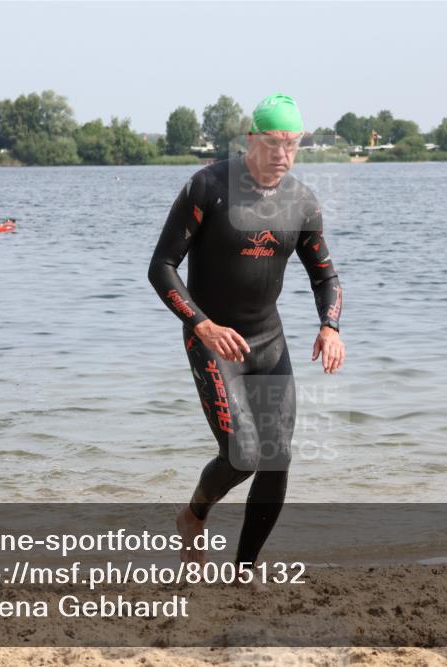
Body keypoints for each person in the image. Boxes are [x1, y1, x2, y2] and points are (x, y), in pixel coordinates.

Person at [148, 93, 345, 575]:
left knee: (276, 462)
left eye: (293, 144)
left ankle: (244, 570)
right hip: (212, 340)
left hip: (268, 342)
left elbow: (326, 277)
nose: (282, 154)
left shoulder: (300, 202)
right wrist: (202, 324)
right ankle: (193, 516)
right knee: (242, 457)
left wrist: (329, 325)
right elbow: (162, 267)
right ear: (252, 138)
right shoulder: (209, 187)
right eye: (274, 143)